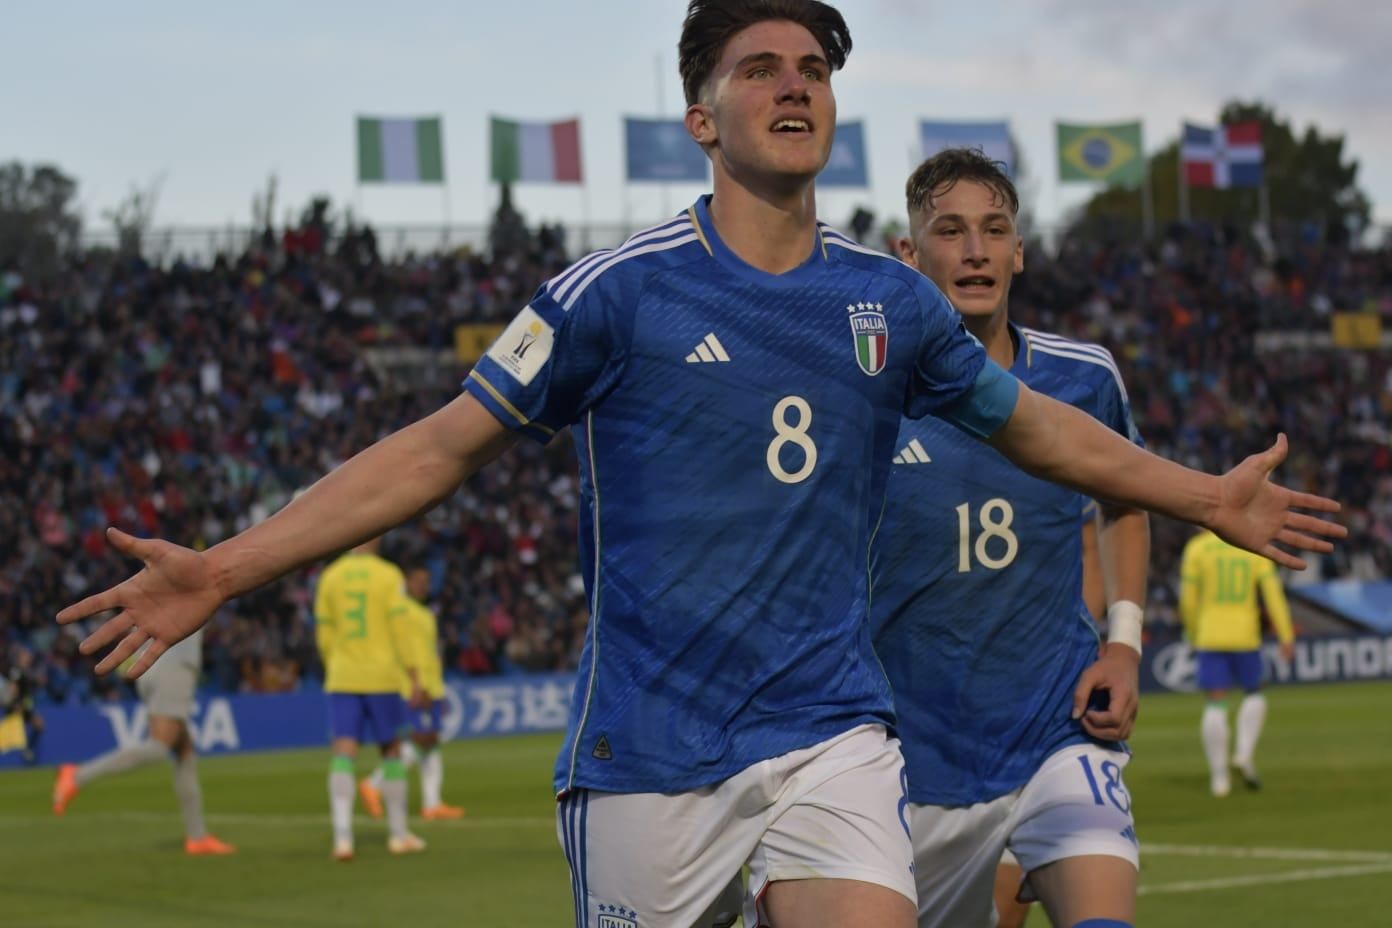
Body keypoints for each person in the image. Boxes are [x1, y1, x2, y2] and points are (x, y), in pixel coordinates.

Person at [58, 2, 1343, 924]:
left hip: (834, 730)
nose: (796, 85)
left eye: (814, 69)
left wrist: (1204, 495)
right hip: (651, 752)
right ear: (701, 114)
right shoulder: (615, 297)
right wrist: (223, 570)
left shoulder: (889, 305)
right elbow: (434, 449)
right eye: (761, 67)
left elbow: (1036, 426)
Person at [874, 147, 1151, 928]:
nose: (974, 250)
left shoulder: (1084, 378)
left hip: (1055, 732)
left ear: (1019, 250)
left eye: (994, 230)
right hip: (910, 761)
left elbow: (1126, 501)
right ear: (909, 253)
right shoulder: (868, 396)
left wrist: (1123, 643)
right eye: (951, 230)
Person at [50, 629, 235, 856]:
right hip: (174, 661)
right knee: (160, 746)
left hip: (150, 658)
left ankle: (197, 837)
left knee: (183, 751)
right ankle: (77, 776)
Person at [313, 536, 425, 860]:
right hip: (382, 675)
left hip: (343, 675)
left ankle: (343, 839)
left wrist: (335, 664)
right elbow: (402, 631)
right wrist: (415, 675)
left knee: (343, 752)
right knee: (391, 752)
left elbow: (324, 633)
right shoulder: (389, 576)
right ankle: (398, 834)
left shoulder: (330, 577)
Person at [1179, 528, 1295, 797]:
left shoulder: (1196, 548)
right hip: (1245, 636)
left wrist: (1193, 631)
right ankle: (1243, 754)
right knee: (1254, 693)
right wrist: (1286, 635)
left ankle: (1219, 779)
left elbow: (1188, 598)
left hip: (1210, 634)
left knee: (1215, 703)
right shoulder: (1252, 542)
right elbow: (1273, 594)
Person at [360, 562, 465, 822]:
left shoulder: (424, 613)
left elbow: (429, 653)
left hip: (432, 685)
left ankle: (432, 803)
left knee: (431, 742)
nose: (423, 586)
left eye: (426, 582)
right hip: (415, 686)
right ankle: (375, 784)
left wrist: (437, 688)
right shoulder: (402, 611)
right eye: (418, 581)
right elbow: (408, 652)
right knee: (422, 740)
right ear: (406, 582)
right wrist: (420, 685)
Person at [2, 646, 44, 765]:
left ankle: (27, 750)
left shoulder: (26, 670)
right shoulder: (17, 670)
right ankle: (26, 751)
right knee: (19, 730)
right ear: (21, 657)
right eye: (26, 655)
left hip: (26, 704)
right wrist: (14, 702)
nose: (29, 657)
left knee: (38, 726)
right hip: (19, 705)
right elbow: (13, 686)